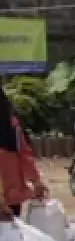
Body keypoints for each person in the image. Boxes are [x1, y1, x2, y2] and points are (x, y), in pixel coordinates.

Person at [0, 87, 49, 220]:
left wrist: (36, 181)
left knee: (10, 235)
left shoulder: (11, 124)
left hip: (11, 194)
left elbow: (24, 154)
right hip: (8, 195)